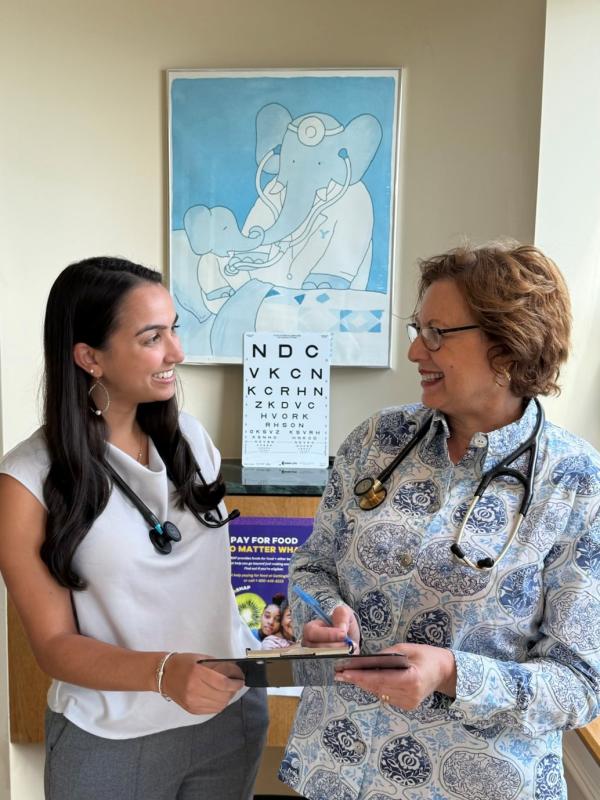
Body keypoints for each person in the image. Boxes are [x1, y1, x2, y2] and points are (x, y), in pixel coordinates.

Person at [278, 243, 600, 800]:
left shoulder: (575, 482)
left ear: (508, 346)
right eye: (416, 329)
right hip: (336, 768)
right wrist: (323, 612)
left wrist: (453, 675)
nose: (413, 350)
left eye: (436, 333)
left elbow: (580, 684)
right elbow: (312, 566)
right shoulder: (378, 440)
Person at [0, 257, 268, 800]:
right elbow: (53, 645)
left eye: (174, 329)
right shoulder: (25, 482)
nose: (177, 352)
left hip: (228, 720)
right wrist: (164, 673)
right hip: (109, 740)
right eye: (152, 337)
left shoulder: (192, 440)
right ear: (90, 357)